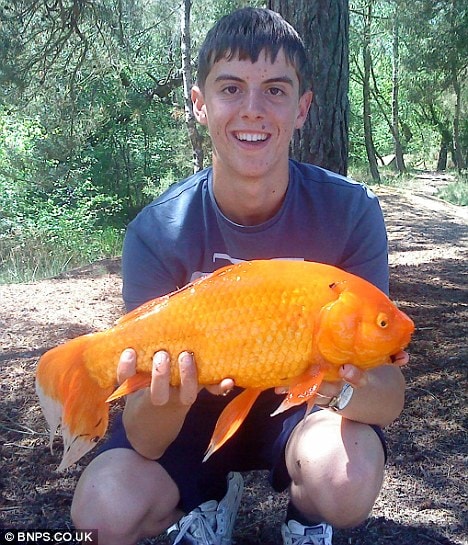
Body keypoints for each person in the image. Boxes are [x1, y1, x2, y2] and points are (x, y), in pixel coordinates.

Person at [71, 8, 407, 545]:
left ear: (303, 108)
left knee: (347, 480)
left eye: (275, 91)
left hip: (300, 416)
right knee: (100, 516)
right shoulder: (158, 229)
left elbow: (388, 397)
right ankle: (209, 494)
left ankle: (306, 514)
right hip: (190, 421)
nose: (253, 110)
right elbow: (145, 438)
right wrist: (173, 393)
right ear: (200, 104)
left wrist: (331, 386)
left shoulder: (350, 211)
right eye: (231, 88)